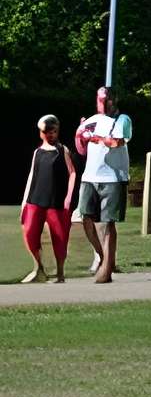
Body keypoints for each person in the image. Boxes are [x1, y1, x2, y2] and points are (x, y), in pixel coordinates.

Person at [72, 86, 133, 285]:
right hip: (90, 177)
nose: (104, 104)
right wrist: (80, 135)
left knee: (107, 223)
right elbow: (81, 149)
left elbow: (116, 142)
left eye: (107, 100)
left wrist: (94, 137)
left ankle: (106, 270)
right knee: (86, 218)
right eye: (100, 100)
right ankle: (103, 256)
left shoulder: (122, 120)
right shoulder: (91, 120)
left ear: (115, 100)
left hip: (113, 178)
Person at [20, 115, 75, 284]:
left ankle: (60, 274)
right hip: (35, 199)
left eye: (53, 131)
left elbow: (72, 173)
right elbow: (32, 175)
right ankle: (39, 268)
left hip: (56, 200)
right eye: (46, 132)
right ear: (41, 133)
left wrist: (68, 198)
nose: (50, 135)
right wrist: (24, 202)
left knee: (59, 236)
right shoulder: (37, 152)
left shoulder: (62, 150)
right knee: (29, 233)